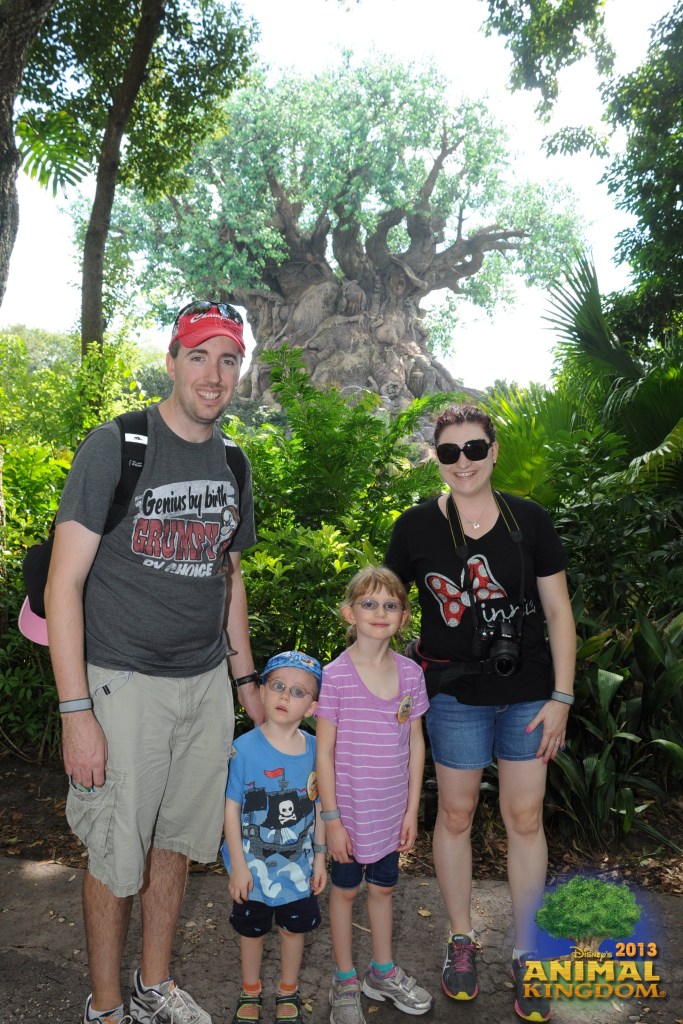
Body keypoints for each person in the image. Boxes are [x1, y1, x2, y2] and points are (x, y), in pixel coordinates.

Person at [44, 300, 265, 1024]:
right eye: (198, 356)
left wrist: (245, 680)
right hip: (123, 679)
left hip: (204, 684)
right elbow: (64, 582)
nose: (213, 374)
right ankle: (106, 1006)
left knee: (175, 844)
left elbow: (227, 576)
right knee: (115, 851)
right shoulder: (118, 444)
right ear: (171, 362)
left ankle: (154, 985)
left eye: (227, 359)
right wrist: (77, 711)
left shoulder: (234, 461)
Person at [384, 404, 576, 1023]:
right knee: (459, 813)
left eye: (473, 449)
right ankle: (460, 940)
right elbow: (387, 605)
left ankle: (526, 952)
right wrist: (377, 677)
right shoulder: (414, 528)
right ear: (436, 459)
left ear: (494, 451)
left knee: (524, 818)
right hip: (454, 693)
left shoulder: (532, 521)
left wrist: (562, 699)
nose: (462, 462)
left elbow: (558, 614)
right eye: (448, 452)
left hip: (528, 694)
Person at [316, 566, 433, 1024]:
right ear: (350, 612)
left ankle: (380, 973)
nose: (380, 612)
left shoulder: (411, 674)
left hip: (390, 814)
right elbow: (323, 752)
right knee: (345, 895)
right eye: (369, 603)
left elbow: (416, 742)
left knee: (383, 890)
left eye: (391, 605)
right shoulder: (336, 675)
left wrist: (412, 809)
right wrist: (331, 818)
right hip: (348, 815)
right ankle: (344, 981)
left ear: (404, 617)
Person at [223, 651, 327, 1024]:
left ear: (312, 706)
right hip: (251, 867)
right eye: (278, 687)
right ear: (262, 692)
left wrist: (319, 858)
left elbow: (319, 807)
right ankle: (249, 991)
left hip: (297, 868)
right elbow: (231, 809)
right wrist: (237, 866)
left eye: (298, 692)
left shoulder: (317, 750)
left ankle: (288, 992)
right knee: (251, 931)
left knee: (292, 929)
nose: (285, 696)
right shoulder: (243, 748)